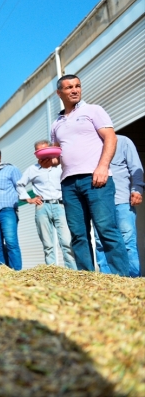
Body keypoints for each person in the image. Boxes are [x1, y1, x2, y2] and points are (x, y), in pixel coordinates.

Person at [50, 74, 129, 276]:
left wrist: (103, 167)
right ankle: (87, 279)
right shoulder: (56, 123)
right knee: (78, 234)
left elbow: (110, 138)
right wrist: (50, 160)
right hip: (68, 183)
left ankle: (124, 279)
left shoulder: (93, 110)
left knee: (106, 230)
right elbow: (57, 154)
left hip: (95, 178)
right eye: (69, 87)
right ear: (59, 93)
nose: (74, 90)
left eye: (77, 86)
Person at [16, 140, 75, 269]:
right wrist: (29, 199)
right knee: (47, 244)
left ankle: (73, 272)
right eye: (39, 151)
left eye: (45, 150)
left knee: (66, 241)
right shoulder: (32, 169)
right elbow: (19, 184)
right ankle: (52, 272)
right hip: (42, 207)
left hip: (61, 206)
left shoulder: (61, 166)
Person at [94, 135, 143, 277]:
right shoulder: (89, 142)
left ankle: (133, 280)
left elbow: (136, 168)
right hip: (99, 202)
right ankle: (106, 283)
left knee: (127, 240)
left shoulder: (123, 141)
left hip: (122, 199)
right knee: (101, 242)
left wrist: (137, 189)